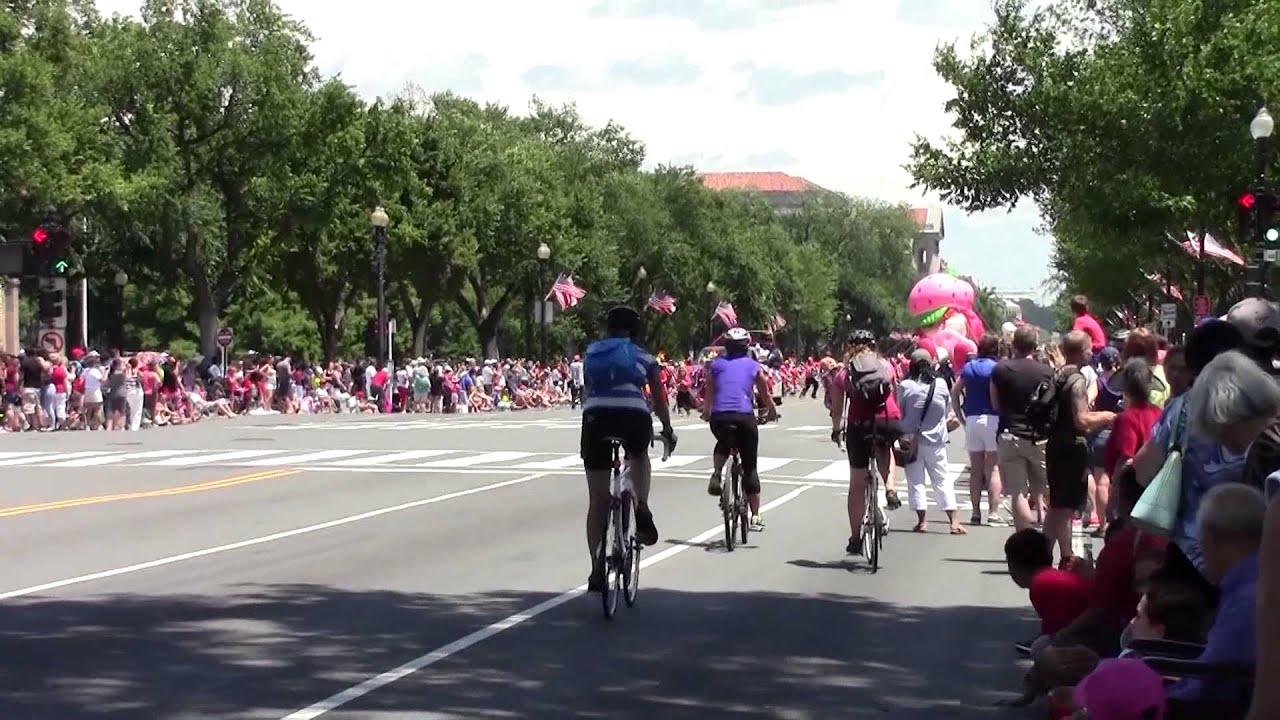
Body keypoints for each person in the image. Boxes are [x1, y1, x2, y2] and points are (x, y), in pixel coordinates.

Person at [580, 305, 676, 592]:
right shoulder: (643, 355)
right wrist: (668, 429)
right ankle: (643, 508)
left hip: (595, 418)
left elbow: (590, 388)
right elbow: (659, 398)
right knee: (639, 456)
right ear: (634, 330)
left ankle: (596, 567)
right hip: (632, 415)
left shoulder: (591, 353)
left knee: (597, 501)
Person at [828, 328, 904, 556]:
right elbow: (895, 394)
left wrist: (836, 429)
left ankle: (855, 538)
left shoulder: (844, 373)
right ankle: (890, 488)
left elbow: (837, 408)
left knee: (857, 484)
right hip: (886, 420)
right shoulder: (887, 366)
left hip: (859, 425)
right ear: (874, 345)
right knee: (886, 450)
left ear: (850, 347)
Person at [702, 327, 778, 530]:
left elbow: (709, 392)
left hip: (719, 417)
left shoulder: (716, 365)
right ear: (747, 346)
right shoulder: (753, 366)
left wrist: (706, 412)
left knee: (723, 441)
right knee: (750, 465)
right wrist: (771, 412)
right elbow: (764, 393)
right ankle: (755, 515)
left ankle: (717, 473)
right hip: (744, 416)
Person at [992, 326, 1055, 530]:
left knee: (1018, 492)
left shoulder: (1001, 370)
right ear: (1035, 347)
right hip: (1039, 436)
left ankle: (1025, 539)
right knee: (1047, 489)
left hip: (1010, 433)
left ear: (1013, 344)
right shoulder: (1046, 371)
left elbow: (995, 405)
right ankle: (1051, 537)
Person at [952, 332, 1004, 526]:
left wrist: (960, 416)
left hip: (972, 418)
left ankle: (975, 512)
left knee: (976, 469)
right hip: (992, 417)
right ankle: (993, 512)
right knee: (992, 468)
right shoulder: (997, 368)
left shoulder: (969, 367)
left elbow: (955, 392)